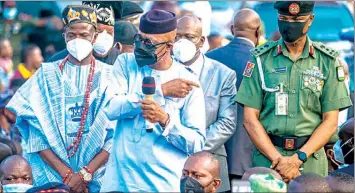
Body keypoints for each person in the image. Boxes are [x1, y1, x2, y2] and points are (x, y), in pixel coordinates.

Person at [236, 1, 352, 182]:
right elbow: (250, 120)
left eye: (297, 20)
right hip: (268, 160)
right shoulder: (260, 60)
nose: (290, 24)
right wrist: (279, 161)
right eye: (284, 18)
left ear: (310, 20)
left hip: (310, 160)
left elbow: (330, 121)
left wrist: (298, 159)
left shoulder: (327, 62)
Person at [6, 5, 116, 192]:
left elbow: (116, 133)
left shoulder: (111, 76)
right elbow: (35, 133)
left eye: (83, 35)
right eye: (71, 35)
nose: (77, 40)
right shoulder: (45, 75)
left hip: (99, 177)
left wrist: (85, 174)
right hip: (52, 178)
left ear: (95, 36)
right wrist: (67, 175)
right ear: (64, 35)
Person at [101, 10, 206, 192]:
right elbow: (110, 107)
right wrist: (161, 91)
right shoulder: (125, 64)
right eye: (139, 39)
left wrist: (165, 120)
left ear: (170, 45)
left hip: (162, 183)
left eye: (150, 43)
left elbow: (196, 143)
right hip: (121, 181)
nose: (142, 47)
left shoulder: (186, 81)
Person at [174, 15, 237, 192]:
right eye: (177, 37)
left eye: (189, 37)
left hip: (209, 167)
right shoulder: (162, 70)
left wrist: (192, 145)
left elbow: (227, 123)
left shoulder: (223, 74)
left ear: (201, 41)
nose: (182, 42)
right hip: (168, 163)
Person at [206, 8, 261, 181]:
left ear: (232, 30)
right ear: (258, 32)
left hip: (210, 157)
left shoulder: (208, 59)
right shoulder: (264, 63)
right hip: (248, 159)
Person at [47, 2, 122, 66]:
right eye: (99, 31)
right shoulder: (55, 63)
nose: (105, 37)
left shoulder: (121, 62)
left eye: (109, 32)